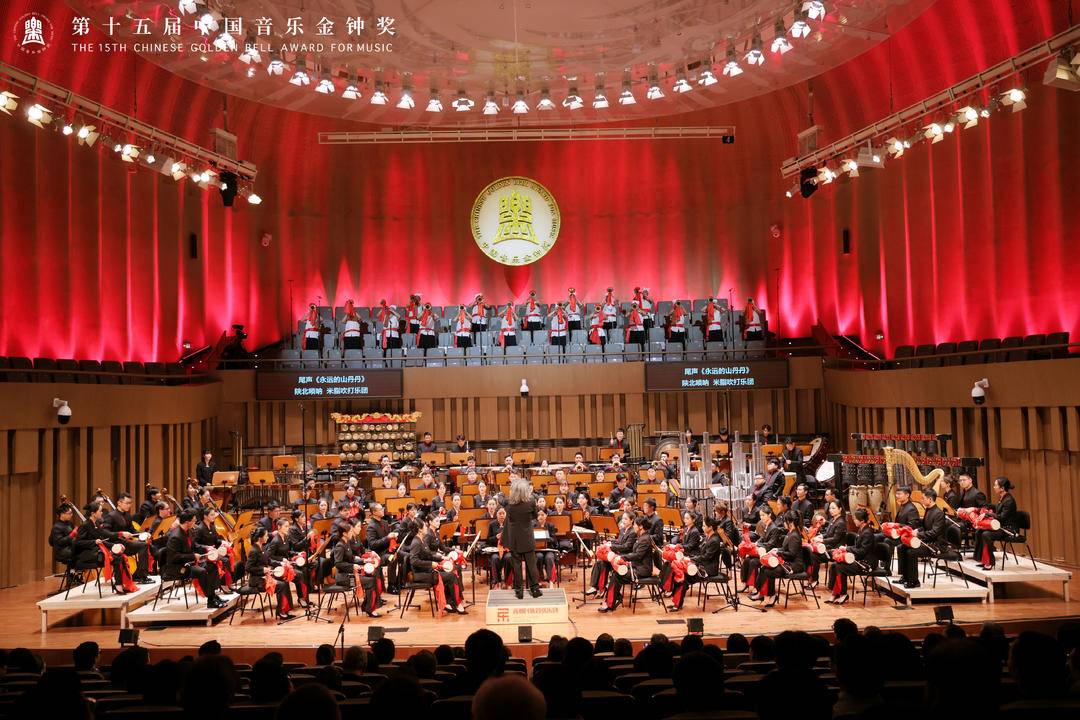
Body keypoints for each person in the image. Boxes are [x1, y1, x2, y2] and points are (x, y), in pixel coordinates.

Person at [165, 510, 225, 609]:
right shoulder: (175, 536)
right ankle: (211, 599)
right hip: (177, 567)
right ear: (187, 522)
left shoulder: (189, 531)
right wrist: (192, 556)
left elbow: (195, 546)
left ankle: (213, 596)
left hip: (189, 562)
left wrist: (207, 548)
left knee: (212, 566)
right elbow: (174, 557)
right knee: (202, 571)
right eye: (193, 521)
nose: (195, 523)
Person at [408, 514, 467, 614]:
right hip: (421, 574)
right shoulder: (416, 542)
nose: (426, 527)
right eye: (425, 526)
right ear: (420, 529)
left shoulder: (421, 540)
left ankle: (451, 603)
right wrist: (431, 563)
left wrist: (442, 558)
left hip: (427, 570)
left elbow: (429, 555)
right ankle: (456, 604)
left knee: (451, 570)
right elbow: (413, 561)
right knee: (451, 576)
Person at [600, 516, 654, 612]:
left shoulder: (645, 539)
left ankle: (610, 602)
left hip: (642, 570)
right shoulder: (642, 537)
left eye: (635, 525)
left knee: (617, 575)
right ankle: (614, 598)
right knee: (616, 572)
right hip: (637, 566)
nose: (634, 526)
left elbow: (638, 555)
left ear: (641, 526)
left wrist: (623, 558)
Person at [750, 511, 804, 608]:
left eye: (785, 521)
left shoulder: (795, 536)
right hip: (788, 561)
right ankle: (760, 592)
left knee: (769, 571)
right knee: (764, 567)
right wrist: (777, 549)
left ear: (790, 522)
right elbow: (785, 549)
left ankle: (772, 596)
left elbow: (791, 555)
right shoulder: (790, 533)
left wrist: (778, 552)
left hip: (794, 565)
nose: (783, 523)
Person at [826, 508, 878, 604]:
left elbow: (862, 551)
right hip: (860, 559)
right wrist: (847, 548)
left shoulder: (867, 533)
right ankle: (836, 592)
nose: (853, 521)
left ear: (862, 521)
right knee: (834, 565)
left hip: (867, 564)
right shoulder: (862, 530)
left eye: (855, 519)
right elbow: (857, 548)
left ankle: (843, 594)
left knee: (840, 567)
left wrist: (847, 549)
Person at [247, 526, 295, 620]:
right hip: (257, 581)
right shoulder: (254, 551)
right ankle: (280, 612)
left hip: (264, 577)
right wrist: (262, 569)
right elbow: (248, 568)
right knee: (281, 585)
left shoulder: (262, 548)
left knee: (285, 582)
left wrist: (280, 563)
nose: (267, 537)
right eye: (265, 535)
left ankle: (286, 610)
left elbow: (268, 561)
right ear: (260, 538)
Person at [506, 479, 542, 599]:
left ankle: (519, 591)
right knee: (531, 564)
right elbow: (535, 516)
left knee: (516, 565)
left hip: (515, 538)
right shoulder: (531, 502)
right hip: (527, 537)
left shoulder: (509, 504)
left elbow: (510, 518)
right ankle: (535, 589)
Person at [104, 492, 151, 582]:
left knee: (146, 544)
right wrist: (121, 534)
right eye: (127, 503)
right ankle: (140, 575)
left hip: (126, 543)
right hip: (115, 545)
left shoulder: (128, 515)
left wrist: (143, 534)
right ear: (119, 503)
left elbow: (133, 531)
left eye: (130, 503)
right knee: (143, 545)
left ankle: (140, 574)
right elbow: (105, 533)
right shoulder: (111, 516)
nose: (129, 505)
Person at [973, 477, 1019, 570]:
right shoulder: (1003, 498)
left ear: (1002, 488)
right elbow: (997, 508)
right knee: (979, 531)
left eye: (995, 485)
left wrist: (987, 514)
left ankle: (990, 562)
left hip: (1008, 529)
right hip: (1001, 527)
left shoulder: (1009, 500)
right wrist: (984, 507)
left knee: (986, 534)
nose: (994, 487)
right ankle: (984, 560)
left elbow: (1002, 517)